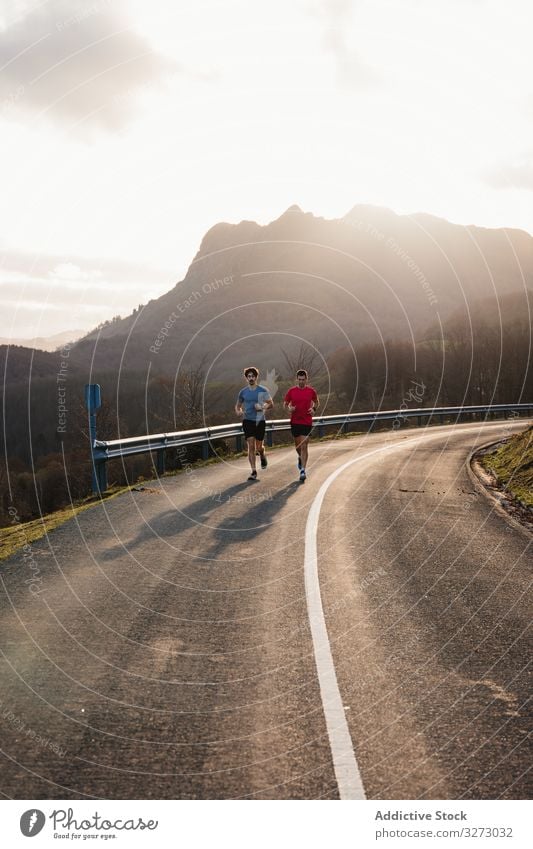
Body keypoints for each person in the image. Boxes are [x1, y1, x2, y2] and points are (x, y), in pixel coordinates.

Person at [235, 367, 273, 481]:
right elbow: (238, 405)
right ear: (246, 378)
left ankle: (262, 454)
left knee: (258, 447)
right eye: (249, 376)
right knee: (250, 446)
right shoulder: (243, 392)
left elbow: (271, 404)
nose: (251, 378)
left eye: (253, 376)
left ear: (256, 377)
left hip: (259, 421)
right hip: (247, 421)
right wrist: (238, 411)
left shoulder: (262, 390)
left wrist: (262, 407)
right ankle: (253, 471)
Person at [283, 369, 319, 482]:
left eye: (303, 380)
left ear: (306, 379)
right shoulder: (292, 391)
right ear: (297, 379)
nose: (301, 381)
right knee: (298, 447)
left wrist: (313, 409)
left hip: (307, 421)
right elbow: (285, 404)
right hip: (295, 422)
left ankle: (303, 470)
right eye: (299, 379)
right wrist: (289, 408)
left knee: (304, 446)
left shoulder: (311, 391)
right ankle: (300, 457)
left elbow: (317, 402)